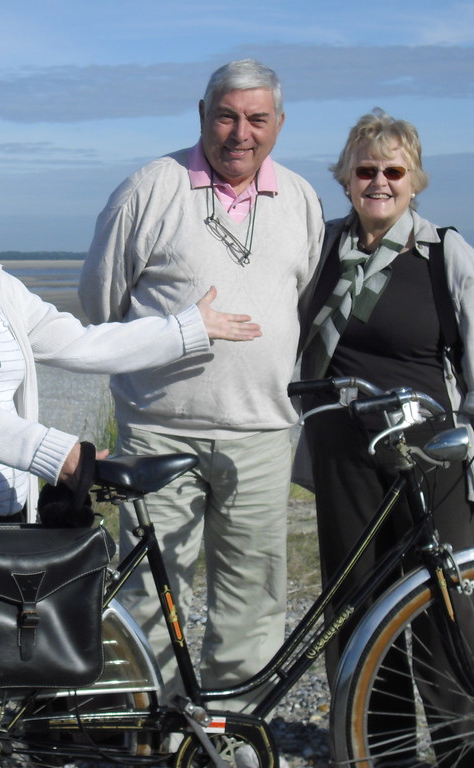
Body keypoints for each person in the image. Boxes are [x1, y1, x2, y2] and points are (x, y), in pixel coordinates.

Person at [0, 138, 261, 767]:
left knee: (12, 682)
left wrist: (185, 330)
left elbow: (78, 342)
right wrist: (55, 453)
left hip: (5, 521)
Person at [78, 59, 324, 709]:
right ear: (202, 115)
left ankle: (229, 730)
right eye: (226, 116)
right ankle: (146, 726)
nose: (240, 133)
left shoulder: (300, 198)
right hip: (159, 431)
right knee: (150, 597)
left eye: (256, 119)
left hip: (264, 432)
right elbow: (100, 305)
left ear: (278, 125)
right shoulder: (148, 190)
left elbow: (301, 295)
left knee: (253, 598)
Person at [298, 109, 474, 764]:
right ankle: (378, 750)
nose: (380, 182)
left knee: (442, 612)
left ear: (414, 179)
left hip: (431, 457)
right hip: (345, 460)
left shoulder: (446, 252)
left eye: (394, 171)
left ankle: (467, 754)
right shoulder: (320, 249)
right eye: (366, 170)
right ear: (345, 178)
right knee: (360, 611)